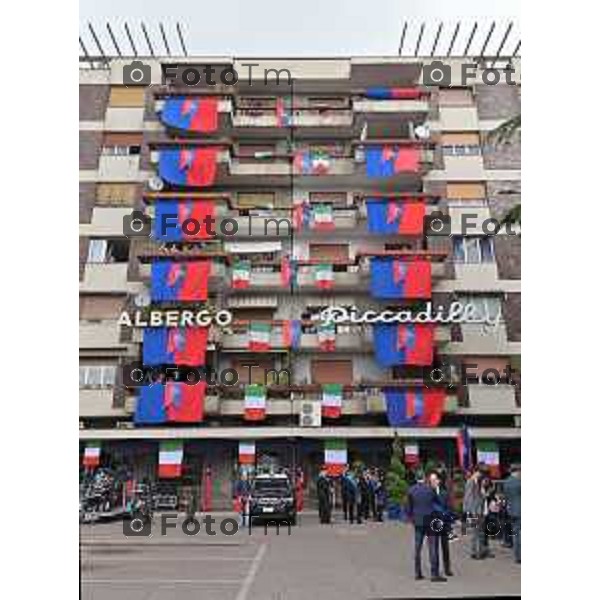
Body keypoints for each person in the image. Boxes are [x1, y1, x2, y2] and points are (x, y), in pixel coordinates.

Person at [407, 471, 446, 582]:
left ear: (415, 478)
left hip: (418, 522)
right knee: (432, 547)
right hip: (430, 520)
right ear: (424, 478)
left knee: (417, 547)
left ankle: (417, 573)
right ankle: (434, 574)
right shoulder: (430, 489)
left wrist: (412, 519)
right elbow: (438, 503)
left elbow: (408, 508)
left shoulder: (411, 490)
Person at [430, 471, 454, 576]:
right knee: (434, 547)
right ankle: (436, 569)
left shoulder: (445, 493)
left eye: (434, 480)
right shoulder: (428, 493)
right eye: (431, 480)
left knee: (445, 547)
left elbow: (449, 507)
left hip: (444, 523)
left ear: (439, 481)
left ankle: (447, 568)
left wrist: (445, 516)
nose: (432, 482)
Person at [463, 468, 486, 560]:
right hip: (475, 511)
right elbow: (468, 497)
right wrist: (470, 512)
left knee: (476, 532)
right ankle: (477, 553)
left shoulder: (476, 482)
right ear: (476, 472)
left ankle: (475, 551)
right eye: (480, 473)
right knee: (478, 532)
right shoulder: (471, 482)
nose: (480, 476)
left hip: (477, 510)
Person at [502, 464, 521, 564]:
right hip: (520, 510)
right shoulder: (519, 482)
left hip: (511, 510)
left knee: (516, 533)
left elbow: (505, 496)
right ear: (517, 471)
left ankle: (517, 556)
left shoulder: (506, 482)